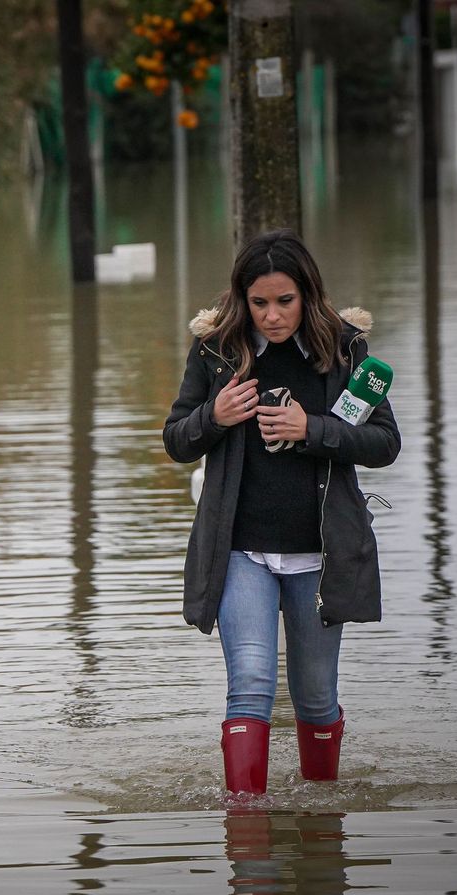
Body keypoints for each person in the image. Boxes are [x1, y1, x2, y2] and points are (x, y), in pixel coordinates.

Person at [163, 230, 400, 795]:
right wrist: (214, 416)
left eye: (285, 301)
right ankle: (247, 832)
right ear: (241, 299)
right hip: (240, 549)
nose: (272, 316)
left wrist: (312, 430)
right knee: (249, 683)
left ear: (307, 294)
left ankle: (322, 826)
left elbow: (385, 443)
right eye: (259, 303)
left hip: (320, 554)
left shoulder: (346, 350)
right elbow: (177, 441)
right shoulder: (215, 351)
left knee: (315, 696)